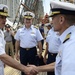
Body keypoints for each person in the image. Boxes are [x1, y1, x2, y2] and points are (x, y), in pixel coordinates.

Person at [29, 1, 75, 75]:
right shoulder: (68, 39)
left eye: (53, 18)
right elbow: (59, 64)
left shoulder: (71, 45)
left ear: (61, 20)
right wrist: (37, 68)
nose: (51, 22)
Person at [0, 4, 37, 75]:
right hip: (23, 52)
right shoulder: (19, 30)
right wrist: (24, 68)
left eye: (5, 17)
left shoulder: (1, 33)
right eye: (1, 17)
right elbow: (2, 56)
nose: (4, 20)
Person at [14, 11, 43, 75]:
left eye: (29, 19)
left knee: (33, 69)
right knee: (22, 68)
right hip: (23, 51)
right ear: (24, 20)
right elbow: (17, 42)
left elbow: (39, 42)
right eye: (26, 19)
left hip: (32, 51)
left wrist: (40, 52)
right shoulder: (20, 30)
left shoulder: (36, 30)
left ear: (32, 20)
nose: (27, 21)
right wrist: (16, 53)